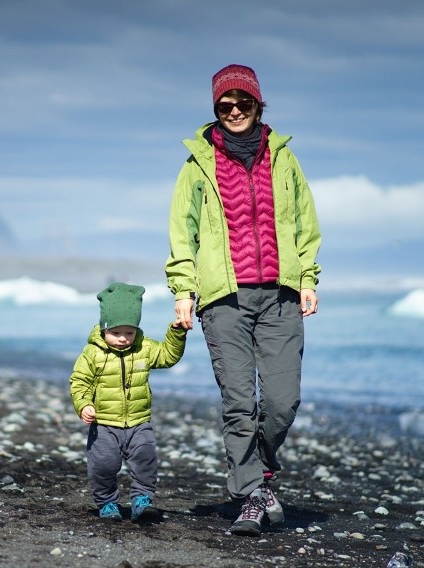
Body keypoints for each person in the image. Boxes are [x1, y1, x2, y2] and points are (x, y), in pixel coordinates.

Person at [165, 64, 322, 537]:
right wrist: (184, 291)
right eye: (224, 105)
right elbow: (182, 232)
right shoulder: (197, 165)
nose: (234, 111)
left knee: (281, 403)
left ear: (258, 104)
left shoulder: (284, 159)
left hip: (281, 296)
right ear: (216, 109)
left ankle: (260, 473)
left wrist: (309, 278)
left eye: (243, 103)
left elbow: (305, 222)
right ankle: (252, 494)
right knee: (239, 402)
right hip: (222, 299)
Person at [70, 282, 187, 522]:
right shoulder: (92, 353)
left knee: (146, 459)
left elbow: (167, 356)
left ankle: (142, 500)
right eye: (116, 333)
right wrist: (84, 405)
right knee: (103, 464)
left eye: (129, 333)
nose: (123, 339)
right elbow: (79, 381)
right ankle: (107, 502)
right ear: (104, 329)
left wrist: (176, 333)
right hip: (104, 423)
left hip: (139, 421)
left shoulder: (144, 348)